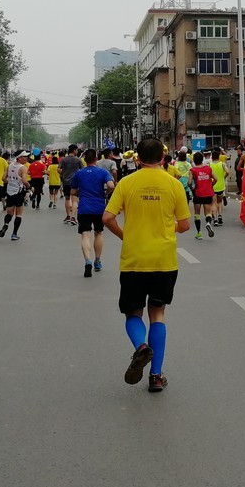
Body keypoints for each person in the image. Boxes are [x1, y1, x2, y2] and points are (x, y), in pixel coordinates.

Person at [103, 137, 191, 393]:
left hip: (134, 260)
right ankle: (155, 376)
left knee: (133, 314)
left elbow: (107, 217)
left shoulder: (127, 183)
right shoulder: (173, 184)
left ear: (137, 159)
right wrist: (167, 227)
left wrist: (124, 235)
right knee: (158, 314)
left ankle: (141, 347)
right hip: (164, 261)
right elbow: (185, 225)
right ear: (163, 159)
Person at [71, 149, 115, 276]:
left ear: (84, 159)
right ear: (96, 159)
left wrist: (82, 192)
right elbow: (111, 186)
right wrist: (104, 194)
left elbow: (73, 192)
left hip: (84, 207)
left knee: (85, 234)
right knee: (98, 233)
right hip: (99, 207)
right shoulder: (102, 172)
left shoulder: (79, 173)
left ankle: (87, 261)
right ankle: (97, 260)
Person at [0, 151, 31, 241]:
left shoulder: (10, 166)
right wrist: (29, 187)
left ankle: (6, 224)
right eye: (25, 157)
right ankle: (14, 234)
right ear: (19, 158)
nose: (26, 158)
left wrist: (11, 182)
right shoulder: (23, 168)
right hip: (19, 192)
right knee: (19, 214)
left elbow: (3, 178)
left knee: (9, 212)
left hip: (10, 191)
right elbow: (24, 181)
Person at [189, 150, 216, 240]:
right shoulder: (208, 169)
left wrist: (192, 188)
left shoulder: (193, 170)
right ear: (202, 160)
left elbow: (189, 182)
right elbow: (216, 178)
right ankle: (208, 223)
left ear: (194, 161)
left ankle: (199, 233)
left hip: (198, 194)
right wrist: (211, 185)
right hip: (208, 193)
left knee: (197, 213)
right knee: (208, 212)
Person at [59, 144, 84, 226]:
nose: (77, 151)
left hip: (66, 181)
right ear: (74, 150)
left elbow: (58, 169)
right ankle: (73, 217)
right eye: (76, 150)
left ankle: (68, 216)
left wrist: (63, 174)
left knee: (67, 198)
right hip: (75, 182)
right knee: (75, 200)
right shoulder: (78, 160)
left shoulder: (63, 160)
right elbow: (82, 170)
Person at [210, 150, 229, 226]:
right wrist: (224, 177)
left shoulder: (210, 165)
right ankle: (220, 215)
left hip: (213, 186)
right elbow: (227, 172)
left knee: (213, 203)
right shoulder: (222, 164)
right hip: (221, 186)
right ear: (218, 157)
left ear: (212, 157)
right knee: (220, 202)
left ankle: (215, 219)